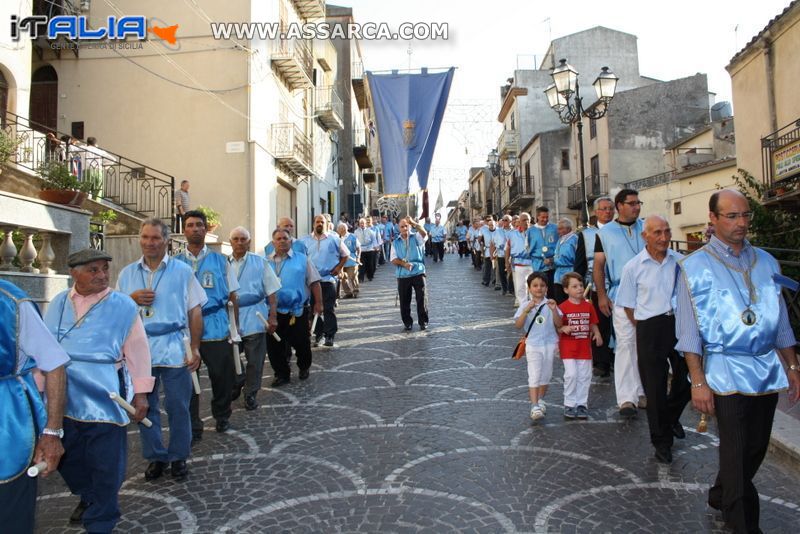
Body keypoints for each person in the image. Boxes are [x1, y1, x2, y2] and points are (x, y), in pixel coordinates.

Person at [675, 189, 800, 533]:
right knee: (736, 447)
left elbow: (781, 322)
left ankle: (720, 492)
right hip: (723, 369)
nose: (741, 223)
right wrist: (697, 381)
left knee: (756, 447)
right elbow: (688, 332)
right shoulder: (693, 267)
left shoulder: (767, 261)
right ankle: (743, 524)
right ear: (713, 219)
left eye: (745, 215)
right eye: (732, 216)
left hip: (765, 368)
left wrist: (792, 366)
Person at [44, 248, 154, 533]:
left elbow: (138, 351)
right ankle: (90, 495)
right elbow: (43, 352)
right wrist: (38, 391)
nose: (102, 275)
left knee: (107, 462)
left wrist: (141, 393)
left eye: (105, 268)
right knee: (67, 457)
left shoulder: (124, 306)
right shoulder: (56, 302)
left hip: (105, 392)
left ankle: (102, 519)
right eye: (93, 270)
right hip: (62, 394)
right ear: (74, 273)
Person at [117, 218, 205, 482]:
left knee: (178, 405)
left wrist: (195, 346)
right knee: (145, 406)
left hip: (175, 346)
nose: (149, 243)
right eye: (145, 237)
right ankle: (155, 456)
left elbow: (195, 310)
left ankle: (179, 456)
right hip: (140, 349)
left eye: (155, 238)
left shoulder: (182, 272)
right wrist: (131, 299)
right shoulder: (127, 273)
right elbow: (116, 310)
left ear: (166, 241)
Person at [616, 215, 689, 464]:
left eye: (667, 231)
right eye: (657, 232)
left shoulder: (681, 262)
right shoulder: (633, 267)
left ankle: (670, 417)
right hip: (649, 326)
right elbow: (627, 304)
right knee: (654, 387)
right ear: (645, 236)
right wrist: (644, 326)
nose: (664, 237)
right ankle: (662, 442)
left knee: (689, 378)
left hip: (679, 324)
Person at [0, 280, 68, 534]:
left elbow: (54, 364)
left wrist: (52, 433)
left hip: (7, 422)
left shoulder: (11, 302)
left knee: (9, 515)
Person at [176, 210, 240, 436]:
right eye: (190, 225)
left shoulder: (220, 261)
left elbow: (233, 295)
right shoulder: (175, 263)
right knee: (188, 379)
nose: (195, 229)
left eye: (199, 225)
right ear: (184, 230)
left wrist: (235, 327)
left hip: (216, 326)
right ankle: (193, 422)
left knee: (221, 376)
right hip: (185, 331)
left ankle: (222, 415)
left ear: (205, 229)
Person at [594, 189, 646, 417]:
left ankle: (643, 390)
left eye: (638, 203)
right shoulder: (605, 233)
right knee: (625, 343)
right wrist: (602, 295)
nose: (636, 207)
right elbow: (598, 266)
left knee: (646, 344)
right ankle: (626, 398)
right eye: (632, 203)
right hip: (620, 294)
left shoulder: (647, 227)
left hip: (650, 294)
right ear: (619, 206)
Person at [228, 226, 280, 410]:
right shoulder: (223, 264)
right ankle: (238, 379)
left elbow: (272, 291)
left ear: (249, 242)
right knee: (229, 357)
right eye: (236, 239)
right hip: (230, 318)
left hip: (255, 315)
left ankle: (250, 392)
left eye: (243, 239)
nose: (240, 242)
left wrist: (273, 316)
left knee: (255, 360)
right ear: (230, 242)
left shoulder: (260, 262)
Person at [265, 228, 323, 385]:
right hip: (274, 311)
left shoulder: (302, 259)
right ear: (273, 242)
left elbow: (314, 282)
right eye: (279, 239)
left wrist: (318, 303)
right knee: (274, 346)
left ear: (291, 241)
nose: (282, 241)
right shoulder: (265, 262)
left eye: (285, 238)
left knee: (301, 342)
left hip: (297, 310)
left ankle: (304, 366)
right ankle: (282, 374)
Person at [574, 197, 615, 379]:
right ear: (596, 212)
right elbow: (580, 263)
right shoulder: (586, 235)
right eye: (604, 209)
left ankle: (617, 359)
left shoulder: (619, 231)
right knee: (599, 325)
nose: (607, 212)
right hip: (596, 286)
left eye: (610, 209)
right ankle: (602, 362)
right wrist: (578, 288)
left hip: (620, 286)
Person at [513, 272, 560, 421]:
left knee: (546, 375)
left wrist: (554, 310)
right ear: (529, 288)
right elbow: (518, 325)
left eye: (542, 286)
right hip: (533, 345)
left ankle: (540, 400)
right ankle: (534, 406)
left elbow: (559, 324)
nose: (538, 288)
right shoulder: (525, 305)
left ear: (547, 288)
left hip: (550, 344)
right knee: (534, 375)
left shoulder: (551, 304)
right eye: (535, 286)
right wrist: (527, 310)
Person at [557, 272, 602, 420]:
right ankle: (569, 403)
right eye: (574, 286)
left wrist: (597, 333)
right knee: (571, 375)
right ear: (566, 290)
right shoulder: (562, 307)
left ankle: (582, 403)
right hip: (568, 347)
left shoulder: (588, 306)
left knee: (584, 376)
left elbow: (592, 322)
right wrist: (562, 328)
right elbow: (556, 325)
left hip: (584, 348)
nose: (579, 289)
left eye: (581, 285)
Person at [301, 214, 349, 348]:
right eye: (317, 222)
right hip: (310, 281)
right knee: (312, 309)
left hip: (328, 279)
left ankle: (330, 335)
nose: (319, 224)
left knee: (328, 308)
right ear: (313, 224)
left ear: (326, 224)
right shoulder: (304, 241)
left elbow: (346, 255)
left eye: (322, 222)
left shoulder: (334, 239)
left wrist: (338, 268)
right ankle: (319, 333)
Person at [391, 217, 429, 332]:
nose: (404, 228)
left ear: (410, 226)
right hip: (403, 274)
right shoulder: (395, 242)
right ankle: (407, 322)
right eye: (402, 226)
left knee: (421, 298)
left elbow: (424, 233)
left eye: (406, 226)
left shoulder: (416, 237)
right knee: (404, 300)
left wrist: (414, 223)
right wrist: (403, 264)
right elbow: (393, 259)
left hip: (418, 271)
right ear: (399, 228)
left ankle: (423, 321)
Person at [527, 206, 559, 295]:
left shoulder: (554, 228)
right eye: (543, 217)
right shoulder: (530, 231)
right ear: (537, 216)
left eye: (547, 217)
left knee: (552, 290)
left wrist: (552, 258)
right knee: (539, 289)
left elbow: (559, 244)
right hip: (538, 265)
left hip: (552, 264)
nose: (545, 219)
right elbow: (527, 247)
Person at [505, 212, 532, 306]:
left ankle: (535, 306)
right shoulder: (512, 234)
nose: (526, 222)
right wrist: (507, 263)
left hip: (533, 263)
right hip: (518, 264)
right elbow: (507, 249)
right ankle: (523, 306)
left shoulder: (534, 232)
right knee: (520, 287)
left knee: (533, 286)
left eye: (528, 220)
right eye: (524, 220)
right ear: (519, 222)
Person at [553, 217, 578, 303]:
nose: (558, 231)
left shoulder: (575, 239)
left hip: (569, 273)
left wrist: (555, 261)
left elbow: (575, 258)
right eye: (558, 229)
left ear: (568, 228)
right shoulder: (560, 239)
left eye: (560, 229)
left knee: (570, 301)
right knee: (559, 302)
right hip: (558, 276)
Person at [337, 222, 361, 298]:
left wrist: (358, 257)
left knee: (353, 277)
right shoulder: (338, 238)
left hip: (352, 261)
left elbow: (358, 248)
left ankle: (355, 290)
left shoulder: (353, 237)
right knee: (343, 278)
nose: (338, 231)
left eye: (339, 229)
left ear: (343, 229)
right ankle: (348, 293)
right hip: (341, 262)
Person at [491, 216, 510, 294]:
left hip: (511, 256)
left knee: (510, 274)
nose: (504, 222)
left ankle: (510, 288)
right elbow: (492, 243)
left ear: (510, 221)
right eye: (503, 220)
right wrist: (492, 255)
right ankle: (505, 289)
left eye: (506, 220)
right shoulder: (497, 232)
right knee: (502, 273)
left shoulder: (514, 231)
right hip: (501, 255)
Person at [355, 217, 378, 282]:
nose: (362, 224)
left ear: (365, 224)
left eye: (363, 223)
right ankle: (361, 278)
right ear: (359, 224)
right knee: (361, 264)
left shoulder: (370, 231)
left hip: (369, 249)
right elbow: (355, 240)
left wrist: (375, 246)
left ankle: (370, 276)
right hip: (361, 249)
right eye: (361, 223)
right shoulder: (356, 232)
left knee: (370, 264)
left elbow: (374, 240)